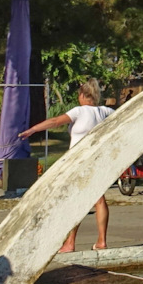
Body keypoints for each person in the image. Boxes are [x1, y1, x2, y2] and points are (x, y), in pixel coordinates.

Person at [17, 81, 114, 251]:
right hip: (97, 160)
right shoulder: (105, 111)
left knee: (74, 201)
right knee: (99, 200)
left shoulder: (79, 111)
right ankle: (101, 241)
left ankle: (70, 242)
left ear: (82, 95)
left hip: (78, 161)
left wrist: (32, 130)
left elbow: (55, 121)